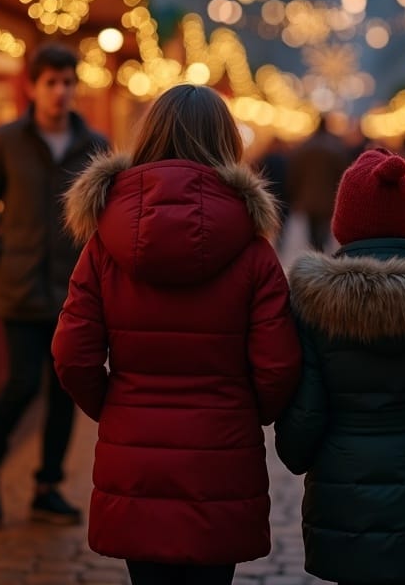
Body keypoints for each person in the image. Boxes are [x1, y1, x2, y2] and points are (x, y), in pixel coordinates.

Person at [52, 84, 301, 585]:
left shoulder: (104, 244)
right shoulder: (253, 252)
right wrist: (242, 409)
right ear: (227, 142)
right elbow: (278, 366)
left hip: (135, 454)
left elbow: (72, 355)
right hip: (220, 456)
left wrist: (118, 405)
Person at [274, 147, 405, 585]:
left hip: (343, 494)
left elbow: (305, 414)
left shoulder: (316, 307)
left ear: (344, 223)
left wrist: (298, 454)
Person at [0, 44, 109, 526]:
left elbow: (105, 216)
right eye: (51, 82)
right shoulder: (6, 140)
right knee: (23, 383)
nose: (61, 91)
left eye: (68, 82)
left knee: (64, 388)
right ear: (32, 86)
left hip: (74, 289)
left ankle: (48, 484)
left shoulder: (94, 144)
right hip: (20, 286)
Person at [286, 116, 351, 251]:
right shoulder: (335, 147)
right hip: (328, 196)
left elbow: (295, 173)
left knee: (312, 227)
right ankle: (321, 248)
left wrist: (294, 194)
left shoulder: (305, 146)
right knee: (324, 227)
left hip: (308, 196)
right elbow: (342, 173)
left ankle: (315, 249)